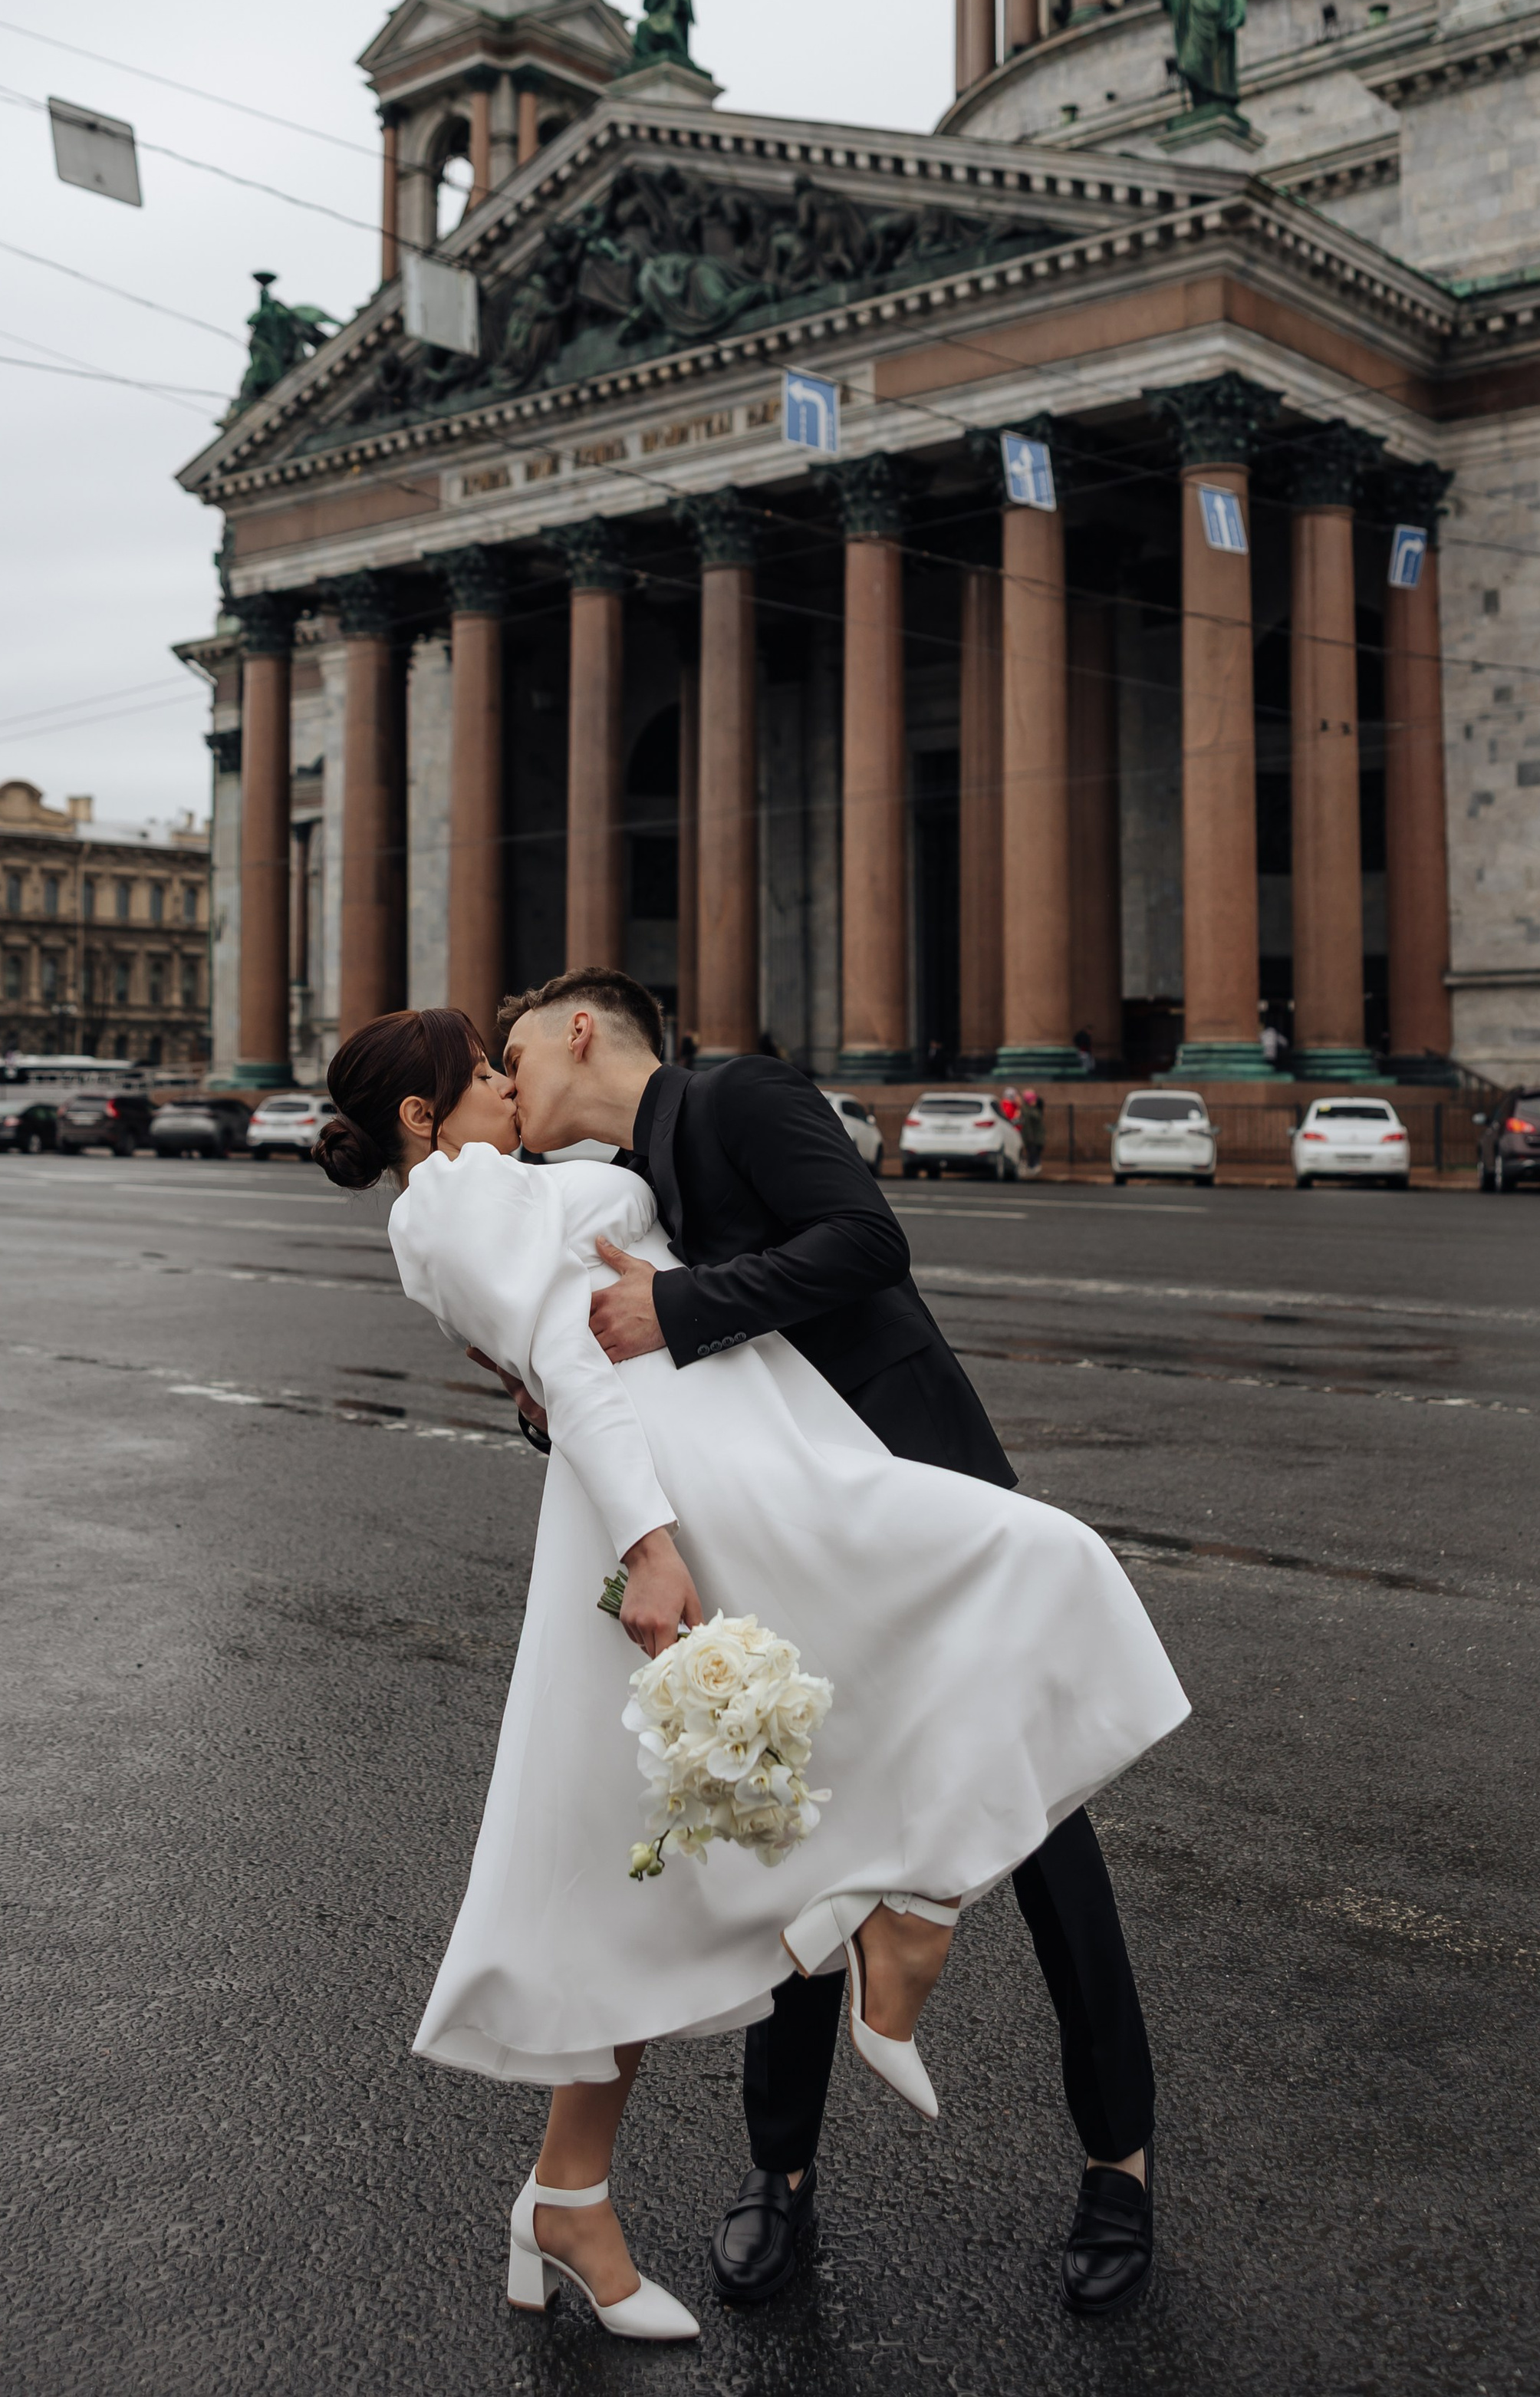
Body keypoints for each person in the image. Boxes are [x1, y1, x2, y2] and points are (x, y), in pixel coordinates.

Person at [317, 1000, 1189, 2339]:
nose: (506, 1072)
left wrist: (669, 1306)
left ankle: (1112, 2161)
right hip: (753, 1499)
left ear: (584, 1032)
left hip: (888, 1460)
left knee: (1045, 1818)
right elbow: (566, 1345)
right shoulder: (500, 1189)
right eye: (481, 1067)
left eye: (516, 1050)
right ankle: (778, 2168)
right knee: (776, 1810)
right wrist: (590, 1437)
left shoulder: (737, 1102)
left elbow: (863, 1242)